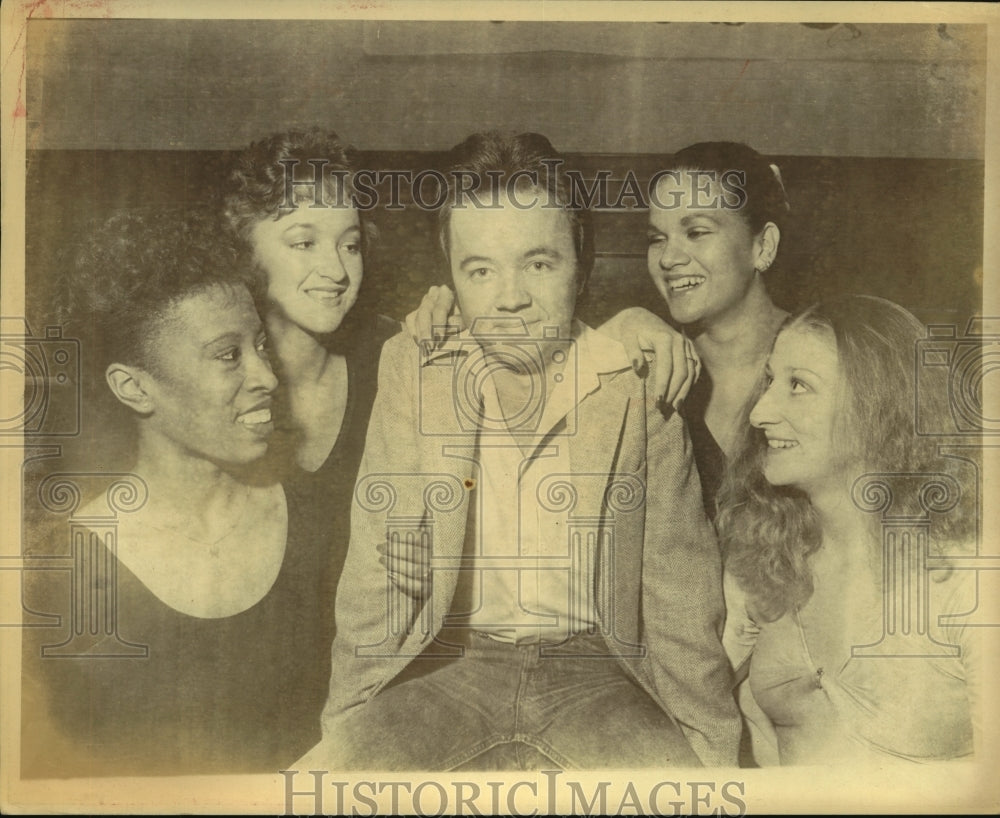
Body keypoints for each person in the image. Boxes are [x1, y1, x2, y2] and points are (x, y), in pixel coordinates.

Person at [298, 131, 740, 771]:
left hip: (598, 673)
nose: (510, 297)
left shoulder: (637, 380)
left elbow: (680, 590)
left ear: (581, 270)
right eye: (480, 270)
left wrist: (713, 758)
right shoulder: (415, 365)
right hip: (451, 665)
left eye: (539, 264)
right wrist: (345, 721)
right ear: (450, 275)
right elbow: (376, 570)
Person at [20, 209, 336, 776]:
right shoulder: (58, 574)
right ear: (135, 387)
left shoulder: (321, 518)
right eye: (227, 355)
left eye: (260, 345)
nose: (265, 375)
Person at [410, 141, 790, 516]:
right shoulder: (646, 360)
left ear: (763, 245)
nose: (670, 258)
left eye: (697, 232)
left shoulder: (832, 358)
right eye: (657, 239)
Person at [716, 294, 978, 766]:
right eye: (770, 380)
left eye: (798, 385)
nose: (759, 412)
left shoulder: (966, 578)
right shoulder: (761, 563)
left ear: (880, 404)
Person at [221, 129, 400, 613]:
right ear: (245, 252)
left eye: (350, 245)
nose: (337, 271)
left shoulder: (396, 363)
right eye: (304, 242)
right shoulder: (212, 385)